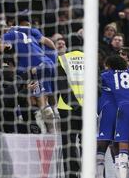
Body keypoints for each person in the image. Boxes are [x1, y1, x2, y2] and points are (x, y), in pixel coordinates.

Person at [57, 34, 84, 178]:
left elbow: (62, 84)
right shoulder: (90, 59)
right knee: (86, 142)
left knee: (69, 142)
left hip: (67, 108)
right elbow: (97, 84)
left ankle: (71, 174)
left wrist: (73, 103)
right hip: (87, 107)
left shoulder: (62, 59)